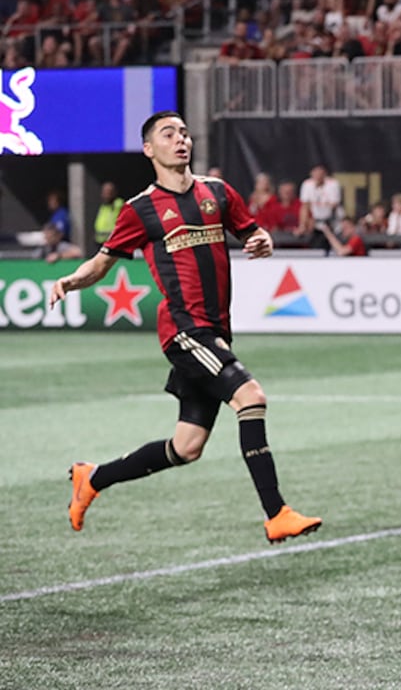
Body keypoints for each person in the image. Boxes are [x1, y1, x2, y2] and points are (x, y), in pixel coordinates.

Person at [48, 111, 321, 544]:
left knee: (186, 447)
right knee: (251, 397)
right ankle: (277, 513)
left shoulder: (218, 192)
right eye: (168, 133)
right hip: (184, 331)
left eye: (184, 133)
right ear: (149, 149)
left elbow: (253, 233)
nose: (181, 140)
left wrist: (263, 240)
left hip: (215, 331)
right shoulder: (140, 209)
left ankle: (92, 478)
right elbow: (101, 264)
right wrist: (69, 280)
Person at [298, 164, 343, 242]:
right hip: (315, 222)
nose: (318, 176)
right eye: (315, 173)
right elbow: (305, 206)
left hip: (333, 222)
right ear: (311, 174)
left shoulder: (333, 184)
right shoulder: (307, 184)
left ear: (325, 174)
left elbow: (333, 206)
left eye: (321, 173)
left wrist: (318, 220)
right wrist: (303, 225)